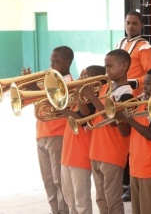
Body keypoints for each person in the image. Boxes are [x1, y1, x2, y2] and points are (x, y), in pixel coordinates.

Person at [80, 49, 133, 214]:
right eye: (105, 66)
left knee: (113, 200)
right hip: (96, 151)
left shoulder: (127, 93)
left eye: (110, 66)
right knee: (101, 199)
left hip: (112, 153)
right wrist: (81, 92)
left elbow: (113, 121)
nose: (106, 69)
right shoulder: (104, 88)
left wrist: (92, 96)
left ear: (124, 66)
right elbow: (87, 113)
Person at [115, 67, 151, 214]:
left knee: (150, 209)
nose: (144, 87)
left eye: (148, 83)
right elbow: (126, 132)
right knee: (138, 210)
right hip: (135, 166)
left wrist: (129, 119)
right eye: (144, 83)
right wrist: (118, 119)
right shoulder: (140, 103)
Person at [27, 46, 73, 214]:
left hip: (58, 135)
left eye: (56, 61)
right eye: (51, 61)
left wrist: (34, 88)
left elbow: (53, 102)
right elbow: (41, 103)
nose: (52, 65)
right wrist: (31, 86)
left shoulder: (69, 82)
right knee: (48, 180)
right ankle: (55, 210)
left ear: (67, 62)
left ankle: (64, 211)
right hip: (42, 134)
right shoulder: (49, 80)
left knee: (59, 180)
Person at [116, 10, 151, 201]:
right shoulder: (120, 43)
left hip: (133, 98)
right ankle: (123, 182)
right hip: (118, 94)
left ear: (141, 26)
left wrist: (134, 83)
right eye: (128, 23)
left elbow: (150, 74)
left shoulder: (144, 46)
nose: (130, 26)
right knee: (121, 139)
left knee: (132, 142)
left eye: (134, 23)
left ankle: (130, 185)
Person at [59, 65, 106, 214]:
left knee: (81, 201)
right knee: (70, 199)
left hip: (81, 157)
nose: (79, 80)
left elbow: (81, 119)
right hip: (67, 156)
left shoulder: (92, 102)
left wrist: (62, 109)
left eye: (84, 77)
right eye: (81, 76)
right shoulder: (77, 99)